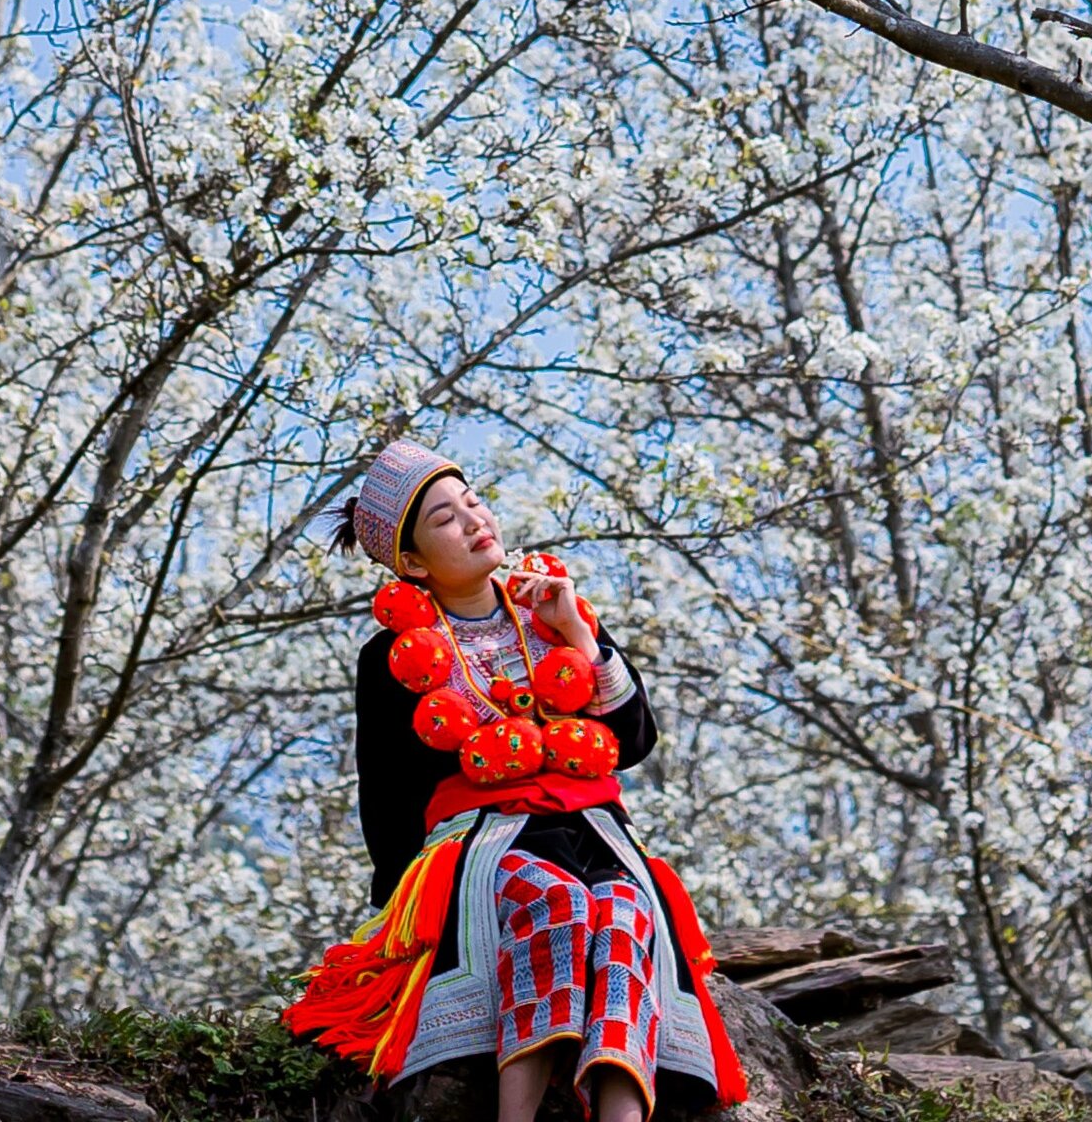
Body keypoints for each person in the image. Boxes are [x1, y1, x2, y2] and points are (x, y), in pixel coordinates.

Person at [286, 439, 748, 1122]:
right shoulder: (391, 655)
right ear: (411, 563)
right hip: (485, 839)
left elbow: (632, 742)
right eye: (445, 519)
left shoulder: (551, 608)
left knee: (623, 913)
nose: (474, 521)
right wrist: (400, 915)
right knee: (556, 905)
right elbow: (384, 798)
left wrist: (579, 640)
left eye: (471, 501)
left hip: (592, 828)